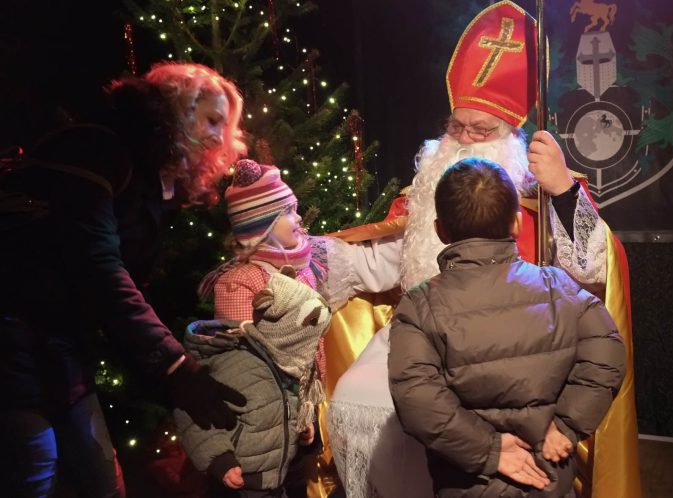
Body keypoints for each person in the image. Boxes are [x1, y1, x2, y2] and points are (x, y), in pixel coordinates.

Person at [327, 2, 640, 497]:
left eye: (482, 129)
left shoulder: (542, 197)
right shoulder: (423, 195)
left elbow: (595, 273)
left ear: (510, 137)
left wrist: (560, 190)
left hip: (517, 351)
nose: (466, 139)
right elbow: (382, 260)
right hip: (428, 336)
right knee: (361, 397)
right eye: (457, 127)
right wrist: (298, 255)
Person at [0, 62, 249, 498]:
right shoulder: (99, 149)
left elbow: (119, 286)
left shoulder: (151, 181)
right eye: (211, 119)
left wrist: (170, 371)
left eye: (224, 127)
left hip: (60, 347)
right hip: (14, 339)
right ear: (177, 108)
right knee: (35, 469)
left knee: (100, 478)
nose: (218, 137)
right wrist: (175, 367)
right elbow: (100, 270)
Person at [388, 158, 626, 498]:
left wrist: (490, 449)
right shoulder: (557, 286)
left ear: (440, 231)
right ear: (516, 224)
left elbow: (416, 399)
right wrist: (566, 426)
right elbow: (609, 353)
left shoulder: (419, 304)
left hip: (467, 484)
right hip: (549, 476)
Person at [197, 158, 402, 497]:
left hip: (298, 413)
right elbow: (238, 362)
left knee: (294, 480)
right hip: (259, 417)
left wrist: (302, 414)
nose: (298, 219)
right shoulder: (240, 281)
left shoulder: (306, 267)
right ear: (261, 226)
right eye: (288, 213)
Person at [175, 270, 333, 498]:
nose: (313, 349)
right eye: (310, 339)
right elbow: (193, 414)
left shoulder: (287, 366)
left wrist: (306, 428)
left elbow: (286, 405)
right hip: (240, 483)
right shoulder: (237, 365)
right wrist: (220, 459)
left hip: (280, 479)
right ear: (289, 334)